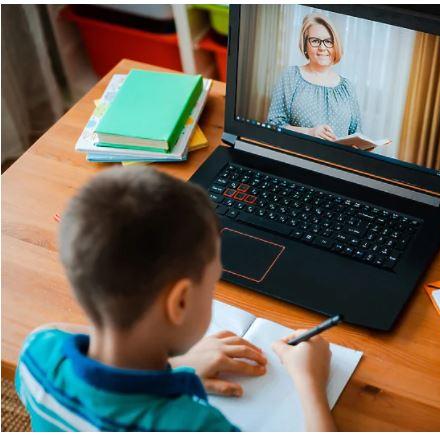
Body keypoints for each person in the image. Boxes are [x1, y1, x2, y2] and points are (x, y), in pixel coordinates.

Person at [14, 166, 335, 431]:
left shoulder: (37, 354)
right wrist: (310, 382)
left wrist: (176, 366)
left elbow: (57, 329)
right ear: (179, 302)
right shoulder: (195, 425)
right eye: (212, 285)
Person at [267, 13, 362, 142]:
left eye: (328, 41)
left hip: (334, 161)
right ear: (305, 45)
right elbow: (273, 125)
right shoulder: (291, 76)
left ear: (335, 45)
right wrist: (309, 132)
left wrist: (365, 146)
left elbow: (356, 134)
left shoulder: (348, 87)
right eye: (315, 41)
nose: (322, 47)